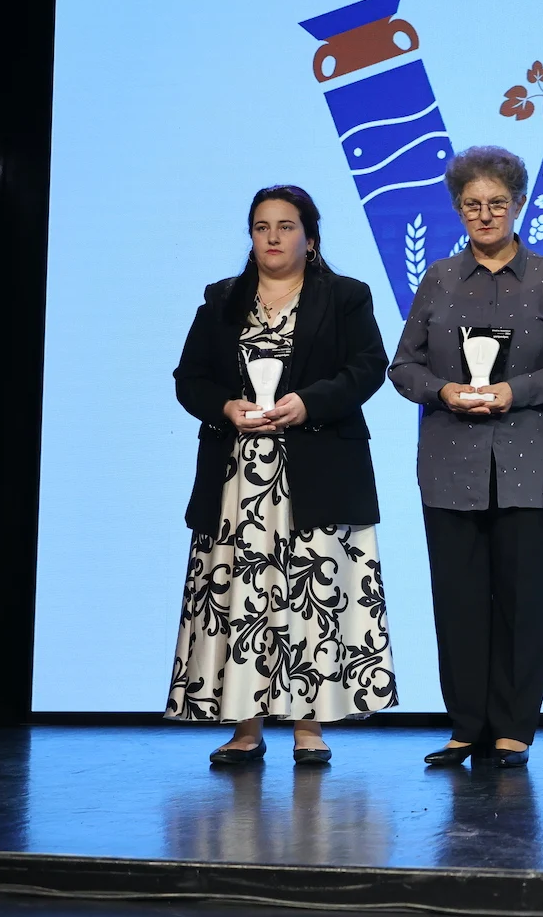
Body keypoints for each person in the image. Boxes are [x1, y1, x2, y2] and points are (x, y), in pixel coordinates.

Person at [168, 184, 397, 764]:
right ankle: (245, 728)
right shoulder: (221, 299)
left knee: (311, 595)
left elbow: (369, 366)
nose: (273, 236)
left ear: (311, 237)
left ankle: (308, 727)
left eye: (286, 226)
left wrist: (309, 403)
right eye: (262, 226)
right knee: (242, 595)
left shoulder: (345, 297)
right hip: (238, 478)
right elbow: (189, 378)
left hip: (316, 468)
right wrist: (225, 406)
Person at [389, 146, 543, 769]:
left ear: (518, 205)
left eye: (498, 203)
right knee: (459, 600)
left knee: (526, 602)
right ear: (457, 209)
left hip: (530, 461)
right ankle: (466, 725)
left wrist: (515, 391)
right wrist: (442, 390)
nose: (486, 214)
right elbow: (403, 364)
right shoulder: (439, 278)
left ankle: (514, 729)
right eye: (473, 205)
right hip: (450, 463)